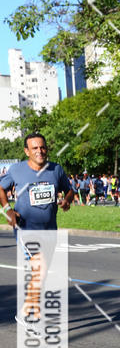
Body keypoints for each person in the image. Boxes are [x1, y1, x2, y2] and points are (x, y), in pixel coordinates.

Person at [0, 132, 73, 323]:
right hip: (26, 228)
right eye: (34, 148)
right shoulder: (17, 170)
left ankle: (26, 312)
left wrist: (66, 200)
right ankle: (34, 316)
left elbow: (70, 189)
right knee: (40, 270)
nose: (40, 151)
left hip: (49, 229)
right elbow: (0, 189)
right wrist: (8, 210)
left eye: (42, 147)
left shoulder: (56, 169)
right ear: (26, 151)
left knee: (41, 272)